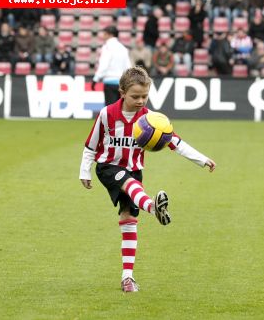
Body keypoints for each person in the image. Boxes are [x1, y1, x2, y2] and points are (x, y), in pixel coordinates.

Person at [79, 66, 216, 292]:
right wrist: (85, 171)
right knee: (129, 184)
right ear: (122, 92)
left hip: (134, 170)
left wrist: (202, 160)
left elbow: (176, 143)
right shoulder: (107, 114)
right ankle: (153, 208)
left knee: (128, 221)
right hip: (108, 168)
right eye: (135, 96)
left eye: (144, 96)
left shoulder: (151, 120)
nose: (141, 101)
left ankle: (127, 278)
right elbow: (91, 145)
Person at [91, 26, 131, 106]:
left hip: (109, 82)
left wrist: (95, 79)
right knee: (119, 109)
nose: (103, 36)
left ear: (110, 34)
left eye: (105, 34)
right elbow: (128, 66)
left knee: (110, 109)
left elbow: (104, 65)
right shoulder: (123, 48)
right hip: (121, 83)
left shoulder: (107, 47)